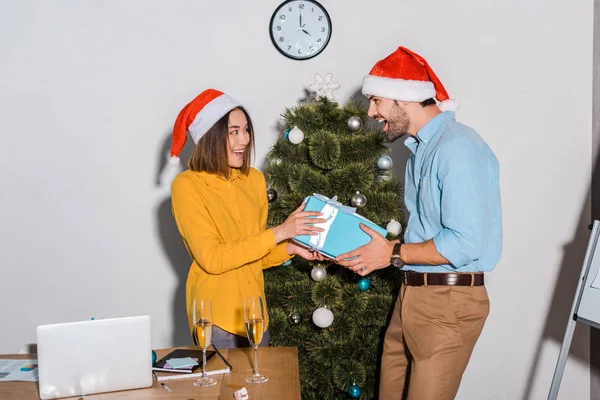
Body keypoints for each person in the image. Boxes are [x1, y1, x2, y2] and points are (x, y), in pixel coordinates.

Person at [336, 46, 502, 399]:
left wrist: (393, 253)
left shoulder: (456, 147)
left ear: (403, 98)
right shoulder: (421, 151)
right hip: (412, 293)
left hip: (447, 302)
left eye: (377, 100)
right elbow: (427, 231)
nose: (371, 111)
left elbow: (465, 242)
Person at [169, 89, 327, 348]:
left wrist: (291, 247)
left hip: (255, 316)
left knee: (258, 388)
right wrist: (280, 232)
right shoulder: (187, 186)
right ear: (210, 137)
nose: (244, 140)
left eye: (246, 130)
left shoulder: (255, 180)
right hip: (215, 321)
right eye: (234, 132)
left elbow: (254, 253)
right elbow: (213, 258)